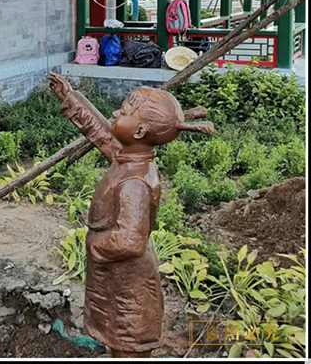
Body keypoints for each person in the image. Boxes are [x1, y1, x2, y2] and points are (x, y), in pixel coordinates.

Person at [48, 73, 213, 358]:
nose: (115, 113)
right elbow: (101, 133)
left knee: (129, 342)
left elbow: (129, 241)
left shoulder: (135, 183)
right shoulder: (130, 158)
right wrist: (70, 97)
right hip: (119, 278)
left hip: (129, 285)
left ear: (139, 132)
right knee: (118, 337)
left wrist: (94, 243)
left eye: (123, 112)